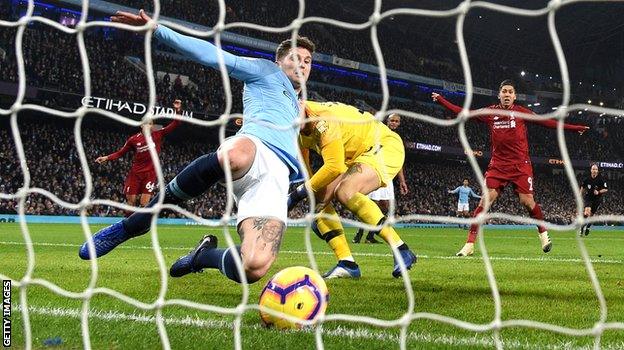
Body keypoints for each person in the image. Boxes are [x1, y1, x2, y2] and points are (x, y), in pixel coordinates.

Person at [79, 9, 316, 285]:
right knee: (234, 155)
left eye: (308, 61)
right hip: (253, 148)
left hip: (276, 178)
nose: (302, 64)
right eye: (295, 58)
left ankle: (201, 257)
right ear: (279, 61)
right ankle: (136, 224)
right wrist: (158, 31)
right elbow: (212, 55)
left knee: (254, 266)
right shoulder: (266, 72)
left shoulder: (301, 108)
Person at [432, 79, 588, 256]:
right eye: (504, 91)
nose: (507, 94)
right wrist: (442, 100)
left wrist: (573, 128)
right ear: (499, 94)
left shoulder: (521, 112)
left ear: (514, 96)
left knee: (526, 201)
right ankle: (469, 244)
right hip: (498, 165)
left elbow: (547, 122)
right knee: (485, 201)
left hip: (520, 165)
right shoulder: (490, 112)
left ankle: (543, 234)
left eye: (510, 92)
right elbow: (463, 113)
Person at [289, 101, 417, 278]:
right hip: (355, 156)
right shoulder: (299, 133)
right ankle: (347, 263)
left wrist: (294, 197)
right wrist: (316, 209)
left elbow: (334, 167)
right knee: (318, 202)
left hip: (384, 145)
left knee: (344, 191)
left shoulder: (324, 120)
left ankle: (401, 249)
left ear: (301, 105)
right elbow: (310, 176)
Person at [95, 100, 182, 210]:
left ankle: (141, 225)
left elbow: (176, 124)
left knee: (144, 203)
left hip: (150, 173)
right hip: (136, 173)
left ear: (152, 126)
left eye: (150, 124)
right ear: (141, 125)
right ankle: (127, 224)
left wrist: (177, 110)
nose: (148, 126)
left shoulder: (158, 133)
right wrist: (106, 157)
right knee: (131, 202)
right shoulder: (133, 139)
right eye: (146, 123)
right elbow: (120, 153)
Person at [353, 113, 408, 244]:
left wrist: (402, 181)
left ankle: (370, 236)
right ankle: (359, 232)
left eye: (396, 121)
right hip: (374, 171)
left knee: (385, 206)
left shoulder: (397, 139)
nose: (394, 123)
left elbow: (398, 161)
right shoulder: (379, 132)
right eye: (392, 120)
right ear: (387, 121)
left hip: (388, 174)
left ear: (399, 124)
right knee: (371, 205)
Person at [579, 163, 608, 236]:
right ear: (591, 170)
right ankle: (582, 228)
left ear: (597, 171)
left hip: (597, 199)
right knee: (586, 213)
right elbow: (582, 187)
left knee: (591, 215)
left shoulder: (601, 179)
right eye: (593, 169)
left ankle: (588, 226)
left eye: (595, 169)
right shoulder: (587, 179)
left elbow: (605, 189)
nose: (594, 170)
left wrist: (598, 192)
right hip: (588, 197)